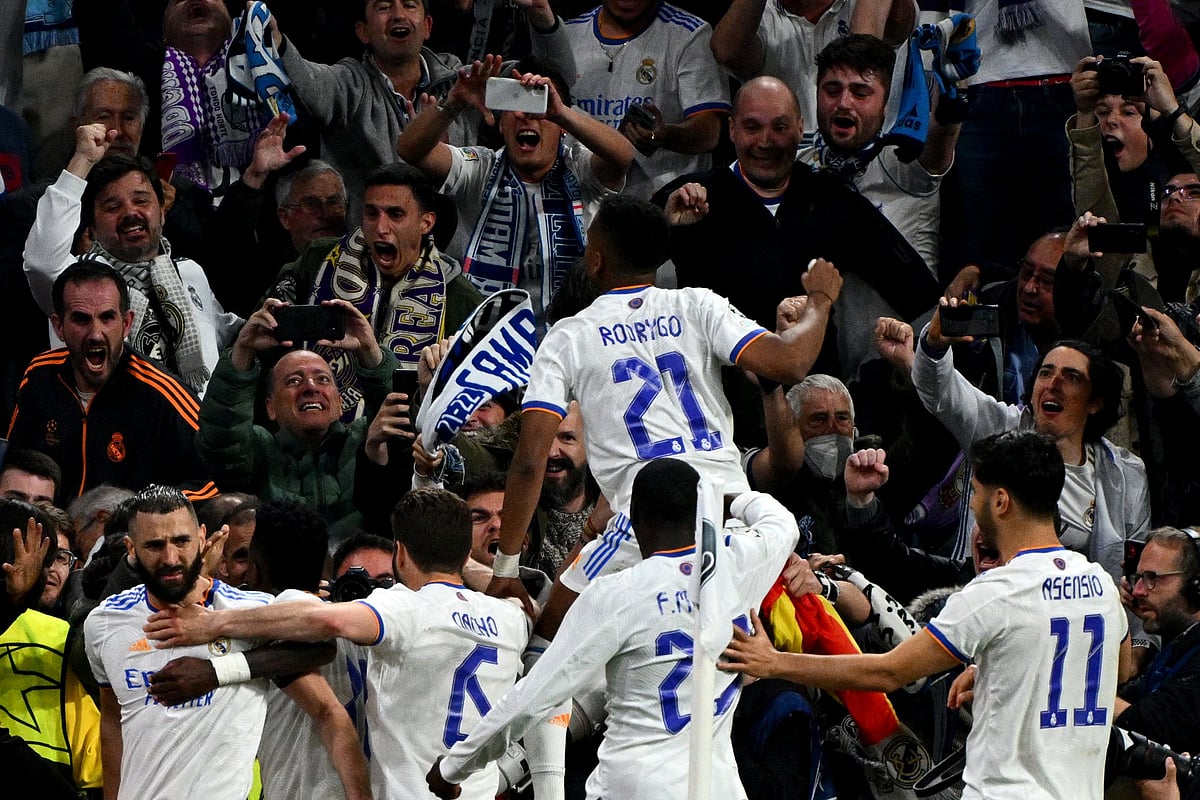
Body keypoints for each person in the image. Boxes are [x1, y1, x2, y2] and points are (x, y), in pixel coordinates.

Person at [722, 429, 1132, 800]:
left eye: (975, 493)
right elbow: (1121, 668)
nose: (973, 504)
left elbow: (888, 672)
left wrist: (774, 662)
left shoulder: (996, 592)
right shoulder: (1100, 584)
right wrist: (1006, 672)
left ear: (1001, 502)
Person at [427, 457, 799, 799]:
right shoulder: (743, 565)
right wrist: (723, 498)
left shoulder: (618, 593)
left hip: (635, 784)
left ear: (634, 520)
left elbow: (535, 696)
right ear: (701, 512)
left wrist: (455, 767)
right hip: (716, 786)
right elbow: (781, 523)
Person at [143, 488, 531, 800]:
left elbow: (322, 639)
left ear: (400, 554)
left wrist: (213, 632)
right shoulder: (511, 618)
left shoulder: (392, 613)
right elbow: (531, 609)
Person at [659, 75, 936, 377]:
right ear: (732, 129)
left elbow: (916, 290)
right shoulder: (688, 197)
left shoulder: (832, 199)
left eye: (779, 127)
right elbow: (625, 271)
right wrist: (666, 225)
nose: (765, 141)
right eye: (752, 127)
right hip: (716, 385)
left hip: (812, 391)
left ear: (800, 128)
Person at [82, 484, 335, 800]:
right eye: (154, 545)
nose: (170, 558)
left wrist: (217, 659)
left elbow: (323, 641)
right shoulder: (104, 623)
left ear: (202, 537)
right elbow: (113, 720)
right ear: (131, 549)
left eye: (181, 541)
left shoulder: (249, 611)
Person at [878, 309, 1150, 581]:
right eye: (1045, 373)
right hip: (990, 593)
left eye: (1072, 377)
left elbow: (1133, 573)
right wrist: (933, 346)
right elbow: (943, 391)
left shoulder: (1126, 474)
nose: (1053, 384)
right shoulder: (1000, 429)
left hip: (1078, 605)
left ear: (1095, 402)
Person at [396, 56, 633, 325]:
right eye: (514, 103)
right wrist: (454, 102)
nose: (525, 115)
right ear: (500, 123)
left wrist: (560, 112)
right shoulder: (480, 168)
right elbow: (410, 150)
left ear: (562, 127)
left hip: (572, 333)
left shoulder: (580, 167)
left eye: (538, 104)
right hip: (489, 336)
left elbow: (622, 156)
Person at [23, 133, 243, 395]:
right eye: (112, 207)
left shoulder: (189, 272)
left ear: (162, 211)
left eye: (141, 200)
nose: (130, 212)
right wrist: (82, 160)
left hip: (198, 419)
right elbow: (41, 261)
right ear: (92, 226)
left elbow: (224, 333)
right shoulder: (78, 282)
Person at [266, 163, 482, 416]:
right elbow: (267, 341)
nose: (381, 227)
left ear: (426, 223)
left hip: (407, 434)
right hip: (315, 427)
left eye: (395, 214)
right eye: (371, 213)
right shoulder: (319, 260)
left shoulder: (461, 300)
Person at [7, 261, 218, 506]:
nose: (96, 334)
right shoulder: (40, 375)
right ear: (59, 326)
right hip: (49, 524)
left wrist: (139, 512)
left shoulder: (163, 393)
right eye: (81, 319)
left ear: (126, 324)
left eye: (107, 318)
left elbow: (212, 482)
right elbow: (14, 464)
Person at [196, 298, 397, 541]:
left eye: (322, 379)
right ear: (270, 407)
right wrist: (243, 349)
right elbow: (223, 437)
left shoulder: (365, 441)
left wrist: (369, 349)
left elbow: (401, 429)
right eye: (294, 380)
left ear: (340, 403)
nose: (310, 387)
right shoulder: (259, 450)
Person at [531, 0, 731, 198]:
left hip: (661, 203)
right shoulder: (569, 34)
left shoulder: (689, 35)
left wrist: (665, 135)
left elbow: (709, 132)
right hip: (583, 202)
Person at [709, 0, 915, 130]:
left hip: (860, 169)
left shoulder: (870, 5)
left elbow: (862, 63)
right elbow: (727, 52)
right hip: (782, 169)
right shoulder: (759, 15)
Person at [1115, 527, 1200, 763]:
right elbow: (1133, 696)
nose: (1138, 591)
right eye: (1138, 578)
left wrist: (1083, 695)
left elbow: (1147, 725)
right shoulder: (1179, 641)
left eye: (1152, 579)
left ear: (1196, 587)